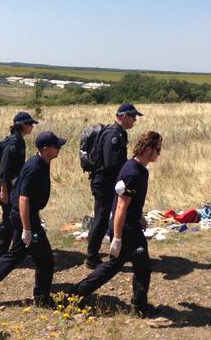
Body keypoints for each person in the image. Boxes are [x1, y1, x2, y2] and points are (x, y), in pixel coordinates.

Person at [69, 131, 162, 318]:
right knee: (121, 266)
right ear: (148, 149)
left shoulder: (135, 167)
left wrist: (139, 216)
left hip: (130, 224)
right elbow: (121, 207)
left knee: (128, 266)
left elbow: (127, 201)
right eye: (157, 149)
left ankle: (139, 306)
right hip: (126, 229)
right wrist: (117, 239)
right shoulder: (134, 173)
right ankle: (75, 294)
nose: (159, 153)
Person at [0, 131, 66, 307]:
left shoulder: (40, 162)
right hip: (25, 217)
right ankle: (42, 298)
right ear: (46, 149)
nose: (59, 149)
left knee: (16, 254)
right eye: (56, 146)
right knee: (45, 259)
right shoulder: (35, 167)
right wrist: (27, 229)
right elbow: (24, 199)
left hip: (23, 215)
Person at [0, 111, 38, 264]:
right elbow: (4, 168)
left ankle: (1, 256)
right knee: (10, 220)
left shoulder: (19, 141)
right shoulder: (13, 143)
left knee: (9, 219)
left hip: (9, 185)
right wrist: (4, 189)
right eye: (30, 123)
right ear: (21, 125)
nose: (32, 126)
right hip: (3, 185)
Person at [86, 103, 143, 269]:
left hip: (110, 182)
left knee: (113, 216)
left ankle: (117, 252)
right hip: (104, 183)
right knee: (101, 219)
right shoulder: (113, 135)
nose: (135, 120)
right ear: (124, 116)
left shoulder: (119, 133)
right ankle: (91, 256)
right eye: (133, 117)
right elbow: (112, 163)